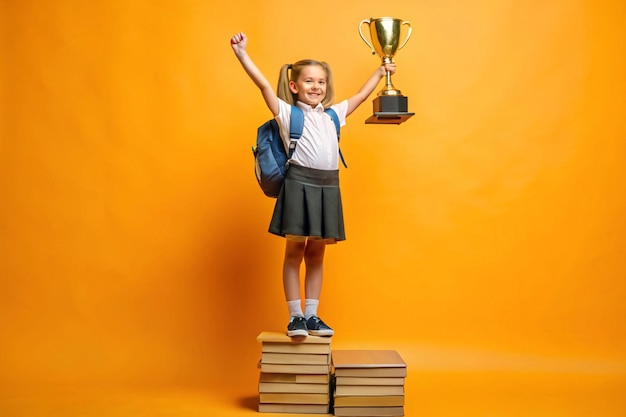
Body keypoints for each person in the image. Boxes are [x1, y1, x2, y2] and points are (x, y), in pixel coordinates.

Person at [230, 32, 396, 337]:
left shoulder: (333, 116)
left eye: (320, 82)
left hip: (328, 187)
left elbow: (360, 97)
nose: (316, 87)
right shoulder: (287, 113)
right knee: (294, 253)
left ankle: (311, 316)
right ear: (294, 86)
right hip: (299, 185)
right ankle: (295, 317)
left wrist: (380, 71)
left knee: (317, 254)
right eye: (309, 81)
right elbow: (264, 85)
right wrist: (242, 54)